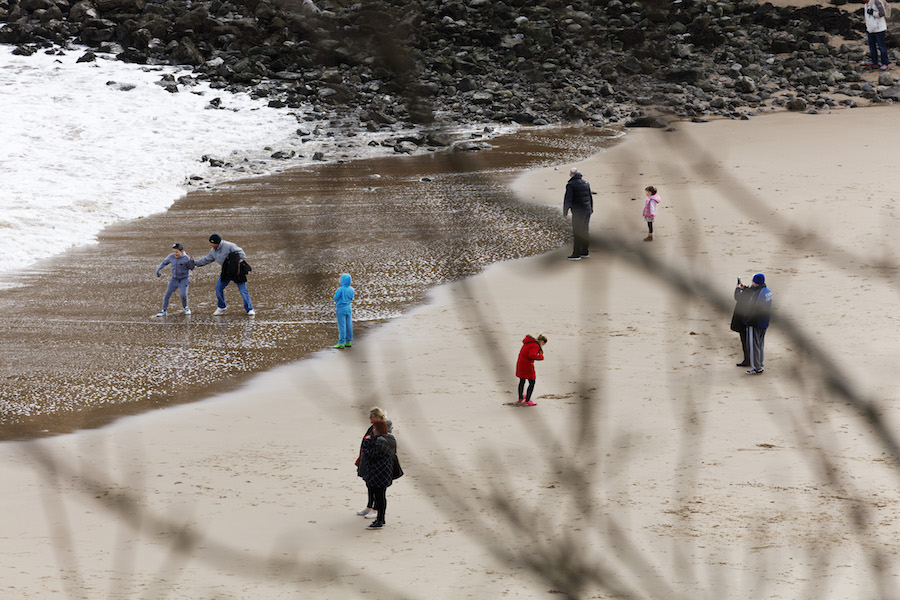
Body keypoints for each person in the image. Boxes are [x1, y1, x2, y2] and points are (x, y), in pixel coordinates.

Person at [193, 234, 255, 316]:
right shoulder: (213, 251)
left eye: (213, 244)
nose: (211, 245)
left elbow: (242, 253)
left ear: (218, 243)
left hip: (237, 271)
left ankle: (249, 309)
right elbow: (206, 260)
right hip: (226, 271)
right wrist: (194, 263)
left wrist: (234, 262)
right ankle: (221, 307)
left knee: (243, 291)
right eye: (210, 244)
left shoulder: (229, 246)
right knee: (218, 288)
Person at [356, 407, 392, 520]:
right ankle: (369, 506)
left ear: (376, 416)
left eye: (371, 416)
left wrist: (367, 448)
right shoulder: (374, 427)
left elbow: (378, 446)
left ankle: (376, 510)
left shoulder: (384, 428)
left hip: (380, 465)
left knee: (378, 489)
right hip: (370, 462)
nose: (369, 418)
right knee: (369, 485)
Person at [360, 418, 396, 530]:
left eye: (374, 428)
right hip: (385, 472)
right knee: (382, 497)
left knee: (379, 497)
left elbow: (371, 454)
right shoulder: (391, 439)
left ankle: (379, 521)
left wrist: (366, 442)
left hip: (378, 474)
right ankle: (381, 518)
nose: (373, 430)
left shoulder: (380, 441)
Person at [742, 273, 772, 375]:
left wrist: (747, 320)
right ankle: (760, 364)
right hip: (764, 321)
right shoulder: (767, 291)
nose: (752, 282)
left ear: (756, 282)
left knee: (754, 345)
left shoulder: (757, 294)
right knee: (760, 344)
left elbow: (753, 309)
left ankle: (756, 368)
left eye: (753, 281)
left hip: (755, 322)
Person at [154, 243, 194, 317]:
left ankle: (185, 307)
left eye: (176, 252)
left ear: (181, 252)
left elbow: (191, 267)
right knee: (167, 294)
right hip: (174, 279)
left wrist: (192, 262)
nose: (175, 253)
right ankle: (164, 310)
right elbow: (164, 263)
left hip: (183, 279)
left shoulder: (186, 258)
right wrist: (158, 270)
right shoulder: (171, 257)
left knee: (183, 295)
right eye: (174, 251)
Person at [563, 168, 593, 260]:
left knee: (577, 232)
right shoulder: (586, 183)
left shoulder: (570, 185)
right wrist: (591, 209)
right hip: (587, 210)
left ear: (571, 175)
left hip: (578, 212)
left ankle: (576, 254)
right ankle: (584, 252)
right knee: (585, 231)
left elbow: (568, 200)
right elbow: (590, 197)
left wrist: (565, 212)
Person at [516, 333, 547, 406]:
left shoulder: (528, 343)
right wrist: (541, 357)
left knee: (522, 380)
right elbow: (531, 355)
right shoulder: (535, 345)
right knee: (532, 382)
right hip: (527, 365)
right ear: (542, 342)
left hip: (520, 363)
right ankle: (527, 400)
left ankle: (520, 398)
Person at [731, 277, 752, 367]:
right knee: (751, 341)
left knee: (745, 341)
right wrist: (744, 288)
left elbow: (737, 297)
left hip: (744, 321)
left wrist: (737, 288)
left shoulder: (745, 296)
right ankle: (751, 360)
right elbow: (751, 290)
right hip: (751, 320)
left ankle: (747, 360)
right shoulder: (755, 292)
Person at [864, 0, 890, 70]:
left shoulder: (876, 2)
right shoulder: (866, 4)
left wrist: (873, 13)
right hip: (871, 29)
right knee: (872, 46)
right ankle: (874, 62)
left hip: (879, 29)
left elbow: (882, 13)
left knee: (881, 46)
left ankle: (885, 63)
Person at [333, 273, 355, 349]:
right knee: (349, 325)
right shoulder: (352, 289)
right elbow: (351, 298)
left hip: (341, 308)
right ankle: (348, 341)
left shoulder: (340, 289)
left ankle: (341, 342)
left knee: (342, 326)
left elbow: (335, 298)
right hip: (348, 308)